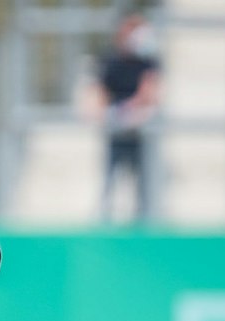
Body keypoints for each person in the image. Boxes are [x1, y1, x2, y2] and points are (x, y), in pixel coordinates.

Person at [94, 13, 159, 224]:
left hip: (140, 131)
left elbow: (151, 92)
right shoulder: (112, 60)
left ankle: (144, 221)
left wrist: (131, 109)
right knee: (110, 179)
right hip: (117, 130)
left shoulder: (149, 62)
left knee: (144, 182)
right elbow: (100, 91)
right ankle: (106, 219)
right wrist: (114, 113)